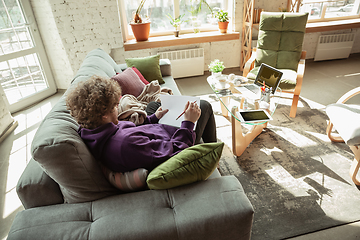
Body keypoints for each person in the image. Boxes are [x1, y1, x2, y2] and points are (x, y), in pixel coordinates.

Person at [66, 75, 217, 173]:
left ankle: (160, 114)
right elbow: (176, 152)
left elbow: (136, 131)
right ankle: (213, 153)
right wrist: (188, 122)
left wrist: (154, 118)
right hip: (177, 140)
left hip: (154, 133)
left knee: (152, 105)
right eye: (114, 106)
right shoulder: (125, 144)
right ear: (104, 114)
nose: (117, 108)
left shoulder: (92, 130)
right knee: (203, 106)